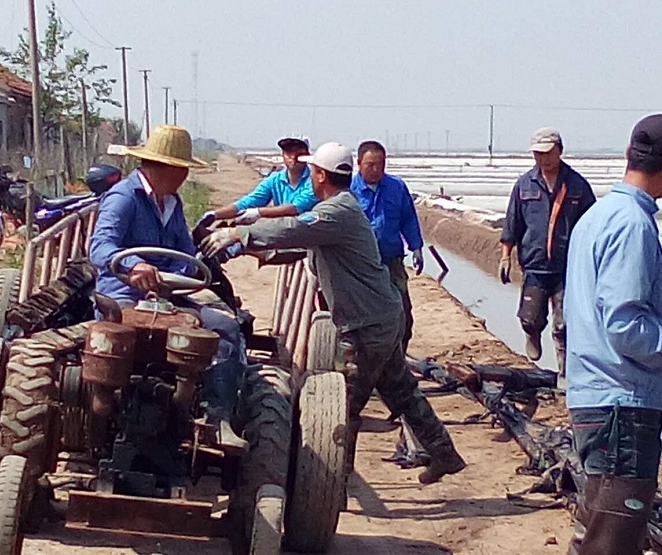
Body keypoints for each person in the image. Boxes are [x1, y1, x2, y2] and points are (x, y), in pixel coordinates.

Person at [201, 142, 466, 484]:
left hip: (368, 325)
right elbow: (299, 246)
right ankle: (444, 454)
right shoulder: (337, 211)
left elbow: (293, 230)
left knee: (341, 404)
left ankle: (334, 481)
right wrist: (244, 248)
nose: (309, 177)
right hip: (380, 318)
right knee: (401, 391)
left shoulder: (337, 211)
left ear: (321, 175)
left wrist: (239, 231)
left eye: (312, 171)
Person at [89, 124, 248, 453]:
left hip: (168, 300)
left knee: (226, 327)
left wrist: (177, 275)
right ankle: (103, 403)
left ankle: (215, 418)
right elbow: (100, 247)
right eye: (182, 168)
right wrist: (135, 267)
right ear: (164, 167)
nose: (185, 176)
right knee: (117, 334)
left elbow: (186, 256)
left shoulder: (172, 203)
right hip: (123, 295)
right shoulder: (123, 198)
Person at [564, 114, 662, 555]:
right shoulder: (634, 225)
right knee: (612, 542)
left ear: (628, 155)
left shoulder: (598, 216)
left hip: (598, 397)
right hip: (623, 404)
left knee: (596, 532)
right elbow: (625, 326)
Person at [499, 127, 595, 375]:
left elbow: (592, 225)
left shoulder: (577, 185)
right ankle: (532, 333)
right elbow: (512, 222)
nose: (543, 159)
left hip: (566, 268)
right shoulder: (524, 185)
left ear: (560, 151)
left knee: (564, 326)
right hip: (535, 266)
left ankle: (565, 373)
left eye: (548, 153)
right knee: (530, 318)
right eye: (538, 154)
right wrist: (505, 256)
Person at [351, 140, 424, 352]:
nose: (376, 170)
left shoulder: (396, 187)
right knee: (363, 317)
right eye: (370, 165)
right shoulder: (348, 192)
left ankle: (398, 357)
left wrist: (416, 248)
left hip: (391, 260)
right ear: (359, 164)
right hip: (360, 265)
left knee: (402, 314)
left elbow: (408, 218)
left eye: (381, 164)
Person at [200, 134, 318, 226]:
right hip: (283, 228)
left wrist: (258, 212)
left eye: (298, 151)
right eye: (288, 151)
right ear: (282, 155)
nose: (293, 156)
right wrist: (215, 215)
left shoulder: (315, 180)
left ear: (307, 155)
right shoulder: (275, 179)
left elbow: (296, 207)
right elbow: (250, 201)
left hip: (305, 230)